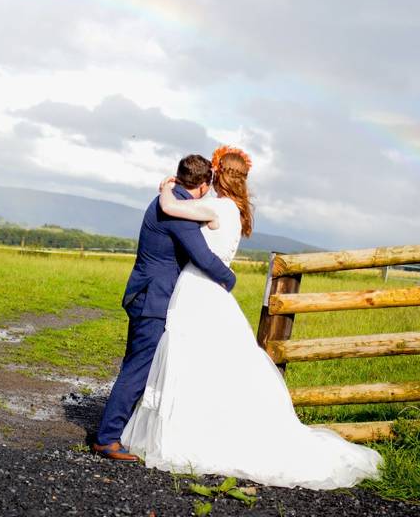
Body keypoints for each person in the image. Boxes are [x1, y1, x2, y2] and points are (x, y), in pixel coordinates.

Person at [120, 146, 382, 489]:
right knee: (212, 360)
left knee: (189, 356)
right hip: (215, 292)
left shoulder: (215, 206)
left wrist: (166, 185)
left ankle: (188, 434)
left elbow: (169, 207)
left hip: (198, 289)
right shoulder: (237, 212)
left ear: (217, 176)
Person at [93, 154, 237, 461]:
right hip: (153, 299)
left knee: (134, 365)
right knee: (138, 370)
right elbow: (203, 257)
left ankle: (115, 429)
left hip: (146, 294)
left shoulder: (169, 200)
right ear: (203, 184)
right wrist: (229, 278)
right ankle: (107, 438)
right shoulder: (177, 213)